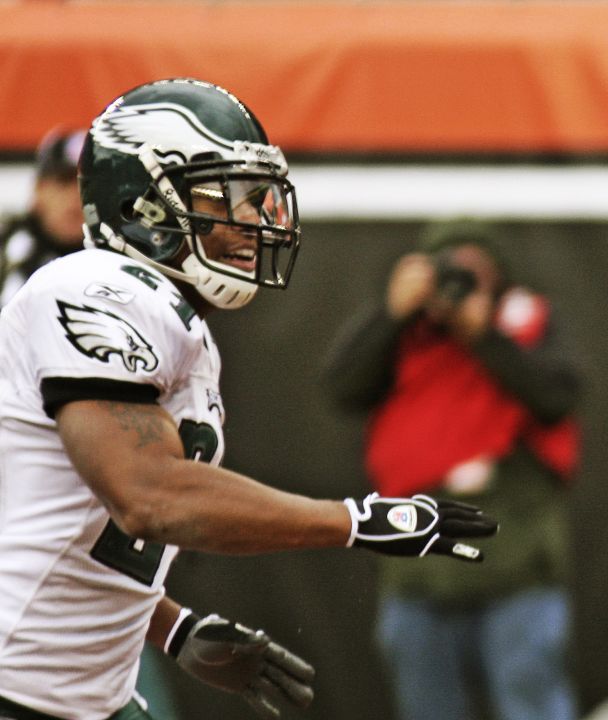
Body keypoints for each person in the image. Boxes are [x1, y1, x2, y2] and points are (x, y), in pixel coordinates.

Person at [0, 78, 498, 720]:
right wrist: (352, 520)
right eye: (229, 196)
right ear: (142, 207)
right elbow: (148, 496)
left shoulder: (178, 325)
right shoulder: (96, 288)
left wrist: (171, 627)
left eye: (260, 198)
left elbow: (62, 525)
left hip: (79, 697)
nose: (255, 221)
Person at [322, 220, 581, 720]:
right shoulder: (403, 339)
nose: (456, 287)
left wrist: (483, 334)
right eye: (446, 272)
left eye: (473, 274)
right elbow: (342, 390)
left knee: (531, 702)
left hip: (517, 566)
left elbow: (556, 397)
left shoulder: (528, 325)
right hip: (418, 571)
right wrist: (391, 315)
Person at [0, 127, 88, 307]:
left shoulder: (120, 259)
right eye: (63, 181)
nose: (76, 195)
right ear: (39, 189)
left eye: (86, 184)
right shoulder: (7, 251)